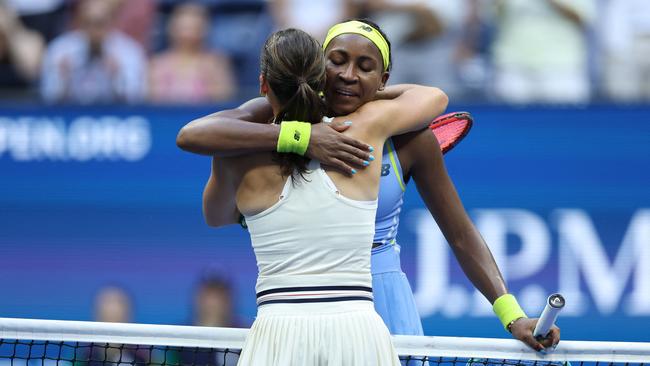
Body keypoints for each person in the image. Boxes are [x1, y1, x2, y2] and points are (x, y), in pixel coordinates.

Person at [177, 19, 560, 352]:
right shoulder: (269, 122)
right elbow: (197, 134)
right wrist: (304, 137)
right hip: (299, 306)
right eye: (337, 61)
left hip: (384, 302)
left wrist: (511, 315)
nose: (348, 75)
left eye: (365, 67)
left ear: (384, 80)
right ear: (316, 66)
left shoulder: (410, 140)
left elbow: (460, 234)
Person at [180, 27, 447, 365]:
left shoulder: (233, 155)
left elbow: (214, 213)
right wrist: (370, 92)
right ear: (322, 78)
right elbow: (434, 96)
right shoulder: (366, 131)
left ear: (264, 85)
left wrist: (290, 138)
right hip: (358, 334)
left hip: (277, 336)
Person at [40, 0, 147, 104]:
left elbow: (135, 100)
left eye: (99, 24)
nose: (93, 31)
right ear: (79, 23)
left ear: (112, 22)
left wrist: (116, 79)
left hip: (114, 117)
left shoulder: (129, 52)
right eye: (88, 23)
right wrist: (63, 80)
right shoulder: (60, 50)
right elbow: (48, 98)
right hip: (71, 116)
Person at [149, 3, 236, 104]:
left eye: (194, 28)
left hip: (206, 116)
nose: (188, 34)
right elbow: (152, 102)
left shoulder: (216, 62)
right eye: (184, 28)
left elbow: (224, 100)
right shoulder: (157, 63)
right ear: (173, 28)